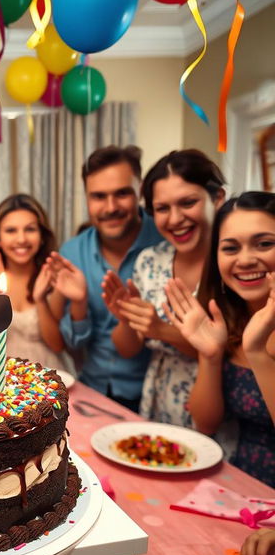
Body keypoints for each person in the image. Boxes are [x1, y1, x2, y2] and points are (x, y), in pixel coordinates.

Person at [103, 150, 225, 427]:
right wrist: (126, 318)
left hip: (215, 406)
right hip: (157, 401)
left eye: (188, 202)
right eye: (162, 208)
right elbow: (128, 349)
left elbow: (231, 356)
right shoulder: (150, 261)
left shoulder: (233, 265)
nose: (175, 219)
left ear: (217, 199)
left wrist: (161, 330)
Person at [165, 192, 275, 487]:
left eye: (264, 244)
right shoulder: (230, 319)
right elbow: (206, 423)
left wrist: (257, 353)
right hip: (242, 485)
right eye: (230, 248)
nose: (246, 259)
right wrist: (210, 355)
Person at [51, 146, 162, 412]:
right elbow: (74, 344)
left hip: (154, 397)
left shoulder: (165, 241)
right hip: (92, 391)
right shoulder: (72, 252)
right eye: (99, 196)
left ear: (140, 188)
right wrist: (78, 306)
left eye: (122, 193)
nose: (110, 207)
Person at [0, 193, 68, 370]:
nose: (21, 239)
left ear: (42, 236)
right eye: (11, 230)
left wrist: (40, 299)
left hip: (48, 371)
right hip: (2, 374)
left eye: (30, 229)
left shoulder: (54, 277)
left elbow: (57, 345)